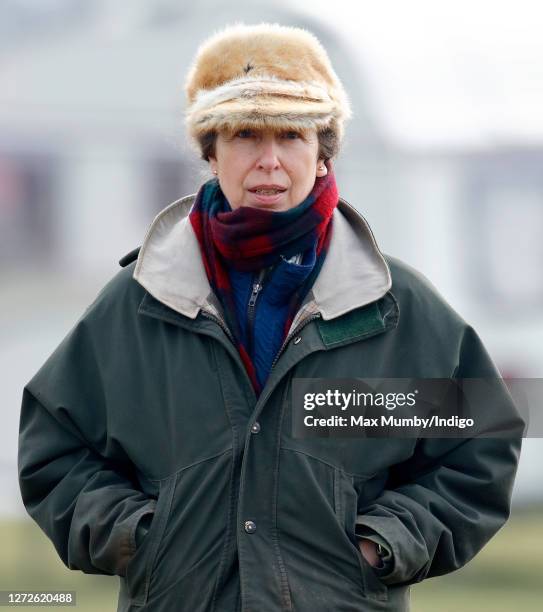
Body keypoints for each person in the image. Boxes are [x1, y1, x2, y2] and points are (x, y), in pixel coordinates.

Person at [18, 23, 522, 612]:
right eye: (244, 134)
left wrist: (384, 544)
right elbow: (54, 450)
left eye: (291, 134)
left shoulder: (395, 307)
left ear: (322, 149)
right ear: (210, 150)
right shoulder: (139, 302)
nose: (269, 160)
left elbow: (480, 444)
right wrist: (137, 538)